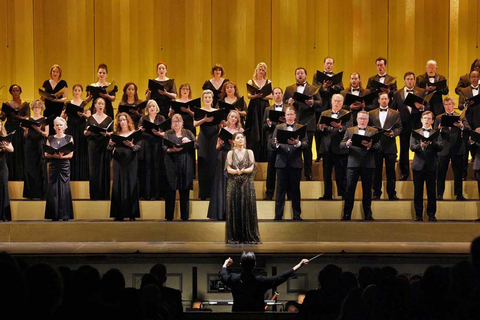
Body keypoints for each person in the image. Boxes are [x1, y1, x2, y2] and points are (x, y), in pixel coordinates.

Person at [220, 252, 309, 312]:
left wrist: (225, 264)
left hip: (238, 317)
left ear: (241, 264)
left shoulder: (233, 279)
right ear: (254, 265)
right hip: (257, 317)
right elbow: (281, 278)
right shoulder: (261, 281)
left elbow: (223, 275)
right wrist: (299, 265)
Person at [340, 111, 381, 221]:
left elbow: (378, 147)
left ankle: (368, 214)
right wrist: (347, 144)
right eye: (360, 118)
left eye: (364, 119)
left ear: (368, 120)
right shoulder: (350, 130)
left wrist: (370, 146)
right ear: (357, 119)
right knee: (349, 190)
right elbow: (341, 145)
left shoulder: (374, 131)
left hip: (368, 164)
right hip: (353, 163)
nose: (362, 121)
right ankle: (347, 214)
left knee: (367, 190)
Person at [284, 67, 322, 180]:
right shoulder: (289, 88)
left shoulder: (314, 88)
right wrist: (288, 102)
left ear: (306, 75)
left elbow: (320, 103)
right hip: (294, 122)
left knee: (307, 149)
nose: (299, 75)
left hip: (308, 122)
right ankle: (294, 174)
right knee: (293, 148)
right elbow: (284, 101)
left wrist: (312, 103)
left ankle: (308, 174)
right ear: (295, 76)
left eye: (302, 73)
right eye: (297, 73)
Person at [391, 72, 429, 181]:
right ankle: (404, 173)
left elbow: (428, 107)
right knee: (404, 150)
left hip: (417, 125)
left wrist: (421, 107)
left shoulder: (421, 92)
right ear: (404, 80)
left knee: (420, 147)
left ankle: (421, 171)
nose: (410, 81)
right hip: (403, 125)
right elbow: (393, 109)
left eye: (412, 79)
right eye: (408, 79)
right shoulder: (397, 93)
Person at [272, 106, 308, 220]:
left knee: (295, 190)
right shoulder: (278, 127)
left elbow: (306, 143)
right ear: (285, 116)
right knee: (280, 190)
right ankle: (278, 215)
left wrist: (298, 143)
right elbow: (272, 144)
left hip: (295, 163)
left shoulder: (301, 127)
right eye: (288, 115)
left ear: (295, 116)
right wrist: (276, 144)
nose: (290, 117)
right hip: (281, 163)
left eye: (292, 114)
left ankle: (297, 215)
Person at [207, 110, 243, 220]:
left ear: (237, 119)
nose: (233, 119)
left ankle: (234, 213)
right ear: (228, 117)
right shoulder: (223, 130)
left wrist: (235, 145)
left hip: (235, 156)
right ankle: (221, 212)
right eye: (231, 116)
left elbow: (244, 146)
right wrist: (220, 143)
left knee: (234, 184)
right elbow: (217, 147)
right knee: (221, 183)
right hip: (223, 156)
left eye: (235, 117)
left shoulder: (240, 130)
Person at [225, 132, 260, 243]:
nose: (240, 139)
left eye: (242, 137)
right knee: (234, 208)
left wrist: (242, 171)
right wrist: (237, 172)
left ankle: (248, 236)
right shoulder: (230, 153)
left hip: (247, 183)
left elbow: (251, 168)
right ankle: (235, 236)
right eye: (238, 138)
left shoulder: (249, 152)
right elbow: (229, 169)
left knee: (247, 207)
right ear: (234, 141)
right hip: (233, 183)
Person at [434, 96, 469, 200]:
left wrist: (461, 125)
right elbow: (434, 132)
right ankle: (439, 194)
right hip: (443, 149)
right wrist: (439, 128)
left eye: (450, 104)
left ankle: (458, 194)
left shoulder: (460, 116)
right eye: (446, 105)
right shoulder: (439, 117)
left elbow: (467, 128)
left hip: (457, 148)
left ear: (453, 105)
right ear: (444, 106)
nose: (448, 107)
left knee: (458, 174)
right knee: (441, 173)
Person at [369, 92, 402, 200]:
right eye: (382, 99)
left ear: (388, 100)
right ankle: (376, 193)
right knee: (376, 171)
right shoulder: (371, 113)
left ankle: (392, 193)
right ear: (378, 100)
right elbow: (368, 128)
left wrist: (393, 133)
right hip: (376, 145)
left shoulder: (395, 113)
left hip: (390, 145)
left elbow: (399, 128)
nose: (384, 100)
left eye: (385, 99)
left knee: (391, 171)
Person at [410, 111, 443, 221]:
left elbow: (440, 147)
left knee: (431, 192)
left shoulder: (436, 133)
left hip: (431, 166)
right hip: (418, 166)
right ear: (421, 119)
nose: (427, 120)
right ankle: (418, 215)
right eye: (425, 118)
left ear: (433, 121)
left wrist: (432, 143)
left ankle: (431, 214)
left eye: (429, 118)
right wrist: (421, 145)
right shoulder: (415, 132)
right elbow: (412, 147)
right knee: (417, 192)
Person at [163, 114, 196, 221]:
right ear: (171, 123)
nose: (176, 124)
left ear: (182, 123)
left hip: (185, 164)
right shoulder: (168, 133)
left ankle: (185, 216)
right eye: (174, 121)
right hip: (171, 164)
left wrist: (189, 142)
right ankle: (169, 216)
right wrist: (172, 150)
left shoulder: (188, 133)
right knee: (170, 191)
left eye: (178, 121)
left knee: (185, 191)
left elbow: (197, 145)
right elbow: (163, 147)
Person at [108, 113, 141, 221]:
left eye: (124, 120)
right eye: (120, 120)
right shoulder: (116, 133)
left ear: (128, 121)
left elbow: (138, 148)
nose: (122, 122)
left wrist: (131, 146)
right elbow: (108, 149)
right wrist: (110, 144)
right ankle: (119, 214)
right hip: (118, 160)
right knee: (118, 184)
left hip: (131, 160)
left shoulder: (134, 133)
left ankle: (132, 213)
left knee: (131, 184)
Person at [317, 94, 350, 200]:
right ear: (331, 101)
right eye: (335, 101)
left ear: (342, 103)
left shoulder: (347, 113)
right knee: (326, 174)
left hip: (340, 148)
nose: (337, 103)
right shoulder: (324, 113)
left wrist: (340, 127)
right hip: (326, 148)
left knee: (341, 173)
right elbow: (318, 128)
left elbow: (350, 129)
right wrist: (321, 127)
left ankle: (343, 194)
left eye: (339, 101)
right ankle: (327, 194)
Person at [313, 56, 345, 161]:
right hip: (320, 107)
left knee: (333, 130)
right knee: (319, 131)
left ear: (333, 65)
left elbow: (342, 89)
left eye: (331, 63)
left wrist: (333, 87)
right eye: (327, 63)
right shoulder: (316, 76)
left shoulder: (337, 77)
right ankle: (319, 154)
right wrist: (324, 86)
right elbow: (314, 89)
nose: (329, 65)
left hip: (334, 107)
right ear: (324, 64)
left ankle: (333, 152)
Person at [44, 117, 74, 221]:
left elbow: (71, 154)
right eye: (57, 125)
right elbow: (46, 154)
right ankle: (54, 214)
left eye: (61, 125)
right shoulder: (50, 138)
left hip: (64, 165)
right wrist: (54, 156)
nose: (59, 127)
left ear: (64, 126)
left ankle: (65, 214)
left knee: (64, 188)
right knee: (53, 189)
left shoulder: (69, 138)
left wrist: (62, 157)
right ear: (54, 127)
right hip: (54, 165)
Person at [84, 98, 113, 200]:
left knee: (105, 168)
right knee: (93, 169)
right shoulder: (90, 118)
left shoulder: (109, 119)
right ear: (95, 105)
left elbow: (112, 133)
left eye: (102, 104)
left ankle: (104, 195)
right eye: (99, 103)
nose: (100, 105)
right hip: (93, 145)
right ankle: (94, 195)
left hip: (104, 145)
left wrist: (106, 133)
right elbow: (85, 133)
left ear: (104, 106)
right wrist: (87, 131)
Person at [138, 100, 166, 200]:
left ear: (156, 107)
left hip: (157, 145)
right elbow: (139, 132)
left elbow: (165, 133)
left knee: (157, 168)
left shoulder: (161, 118)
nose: (152, 108)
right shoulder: (143, 118)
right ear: (147, 108)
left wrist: (160, 134)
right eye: (149, 106)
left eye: (153, 106)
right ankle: (146, 194)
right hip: (146, 145)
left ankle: (158, 194)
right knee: (147, 168)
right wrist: (141, 130)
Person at [1, 84, 29, 180]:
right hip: (9, 129)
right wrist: (3, 114)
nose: (15, 92)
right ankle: (10, 175)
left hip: (20, 129)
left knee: (20, 150)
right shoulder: (7, 104)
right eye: (13, 91)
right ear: (11, 92)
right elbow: (3, 118)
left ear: (20, 92)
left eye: (17, 90)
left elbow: (27, 117)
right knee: (9, 151)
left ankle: (20, 176)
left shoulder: (25, 104)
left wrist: (19, 117)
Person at [262, 87, 286, 200]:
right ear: (272, 95)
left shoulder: (289, 108)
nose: (277, 95)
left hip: (286, 142)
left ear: (282, 95)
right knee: (271, 169)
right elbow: (264, 127)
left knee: (286, 169)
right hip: (272, 141)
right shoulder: (268, 109)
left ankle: (287, 193)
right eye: (275, 93)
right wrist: (269, 124)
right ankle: (269, 193)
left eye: (279, 93)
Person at [246, 62, 273, 162]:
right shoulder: (251, 81)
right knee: (254, 129)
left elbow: (271, 96)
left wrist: (262, 96)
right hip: (254, 107)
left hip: (264, 106)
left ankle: (264, 156)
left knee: (264, 128)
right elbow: (249, 95)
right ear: (256, 70)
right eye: (259, 69)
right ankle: (253, 156)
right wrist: (255, 96)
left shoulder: (268, 81)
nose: (261, 71)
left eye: (263, 70)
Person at [194, 90, 218, 200]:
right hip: (203, 136)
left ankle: (213, 193)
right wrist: (204, 119)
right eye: (206, 97)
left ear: (212, 99)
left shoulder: (216, 111)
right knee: (203, 162)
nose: (208, 99)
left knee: (213, 163)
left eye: (209, 97)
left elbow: (221, 124)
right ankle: (203, 193)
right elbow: (194, 124)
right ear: (203, 99)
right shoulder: (199, 111)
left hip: (214, 137)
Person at [22, 99, 48, 200]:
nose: (36, 109)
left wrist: (39, 130)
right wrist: (26, 130)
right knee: (30, 168)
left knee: (40, 167)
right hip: (29, 145)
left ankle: (41, 194)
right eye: (35, 107)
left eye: (38, 107)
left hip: (40, 144)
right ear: (32, 108)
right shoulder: (28, 118)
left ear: (41, 108)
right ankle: (30, 194)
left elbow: (46, 134)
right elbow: (25, 135)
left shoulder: (44, 119)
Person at [64, 84, 90, 181]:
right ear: (73, 91)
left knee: (81, 150)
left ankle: (81, 176)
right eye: (75, 90)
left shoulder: (84, 103)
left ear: (81, 92)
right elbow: (63, 117)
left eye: (79, 90)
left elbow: (89, 117)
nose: (77, 92)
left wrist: (83, 115)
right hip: (70, 128)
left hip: (81, 128)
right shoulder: (68, 103)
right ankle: (71, 176)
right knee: (71, 149)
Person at [41, 64, 68, 135]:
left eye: (57, 72)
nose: (55, 73)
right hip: (48, 109)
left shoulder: (63, 83)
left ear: (60, 73)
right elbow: (42, 98)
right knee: (48, 128)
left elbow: (65, 98)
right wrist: (43, 96)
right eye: (53, 71)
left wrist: (56, 100)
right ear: (51, 72)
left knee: (57, 128)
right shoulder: (46, 83)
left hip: (58, 109)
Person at [0, 120, 13, 221]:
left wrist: (5, 146)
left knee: (3, 187)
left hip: (2, 165)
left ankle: (4, 215)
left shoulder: (5, 136)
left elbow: (11, 149)